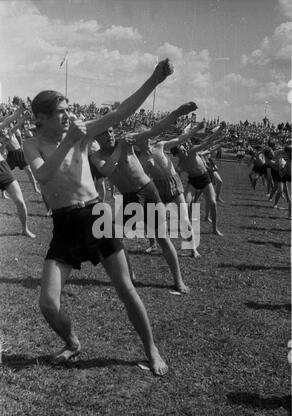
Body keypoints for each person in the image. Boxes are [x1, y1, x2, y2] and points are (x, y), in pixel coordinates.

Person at [23, 58, 174, 376]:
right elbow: (45, 177)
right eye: (60, 111)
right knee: (48, 303)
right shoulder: (32, 144)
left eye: (67, 108)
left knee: (126, 288)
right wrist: (68, 140)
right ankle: (73, 342)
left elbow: (120, 113)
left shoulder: (79, 134)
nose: (67, 115)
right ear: (41, 117)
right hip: (64, 224)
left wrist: (153, 80)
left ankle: (152, 349)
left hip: (95, 214)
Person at [91, 103, 198, 292]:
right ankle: (130, 275)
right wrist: (120, 147)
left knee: (163, 238)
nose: (109, 135)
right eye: (103, 133)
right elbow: (107, 169)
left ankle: (178, 280)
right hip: (130, 197)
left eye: (110, 131)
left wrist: (177, 112)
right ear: (96, 138)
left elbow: (156, 129)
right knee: (117, 238)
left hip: (148, 191)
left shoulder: (127, 140)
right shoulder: (97, 155)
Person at [132, 116, 204, 257]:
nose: (145, 141)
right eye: (141, 139)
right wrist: (147, 168)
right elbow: (142, 178)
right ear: (137, 143)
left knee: (184, 219)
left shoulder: (160, 146)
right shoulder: (141, 159)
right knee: (152, 219)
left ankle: (193, 249)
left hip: (174, 184)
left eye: (146, 137)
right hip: (157, 187)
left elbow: (180, 139)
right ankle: (153, 244)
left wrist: (195, 129)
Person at [172, 123, 226, 236]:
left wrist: (220, 129)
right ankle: (187, 226)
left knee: (213, 203)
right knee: (185, 204)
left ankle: (214, 229)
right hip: (193, 181)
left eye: (183, 149)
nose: (184, 151)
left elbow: (209, 141)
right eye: (181, 151)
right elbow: (176, 176)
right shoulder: (181, 164)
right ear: (177, 155)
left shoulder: (191, 151)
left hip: (205, 178)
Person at [0, 106, 36, 238]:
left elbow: (8, 120)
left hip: (2, 166)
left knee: (20, 201)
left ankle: (24, 229)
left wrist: (21, 112)